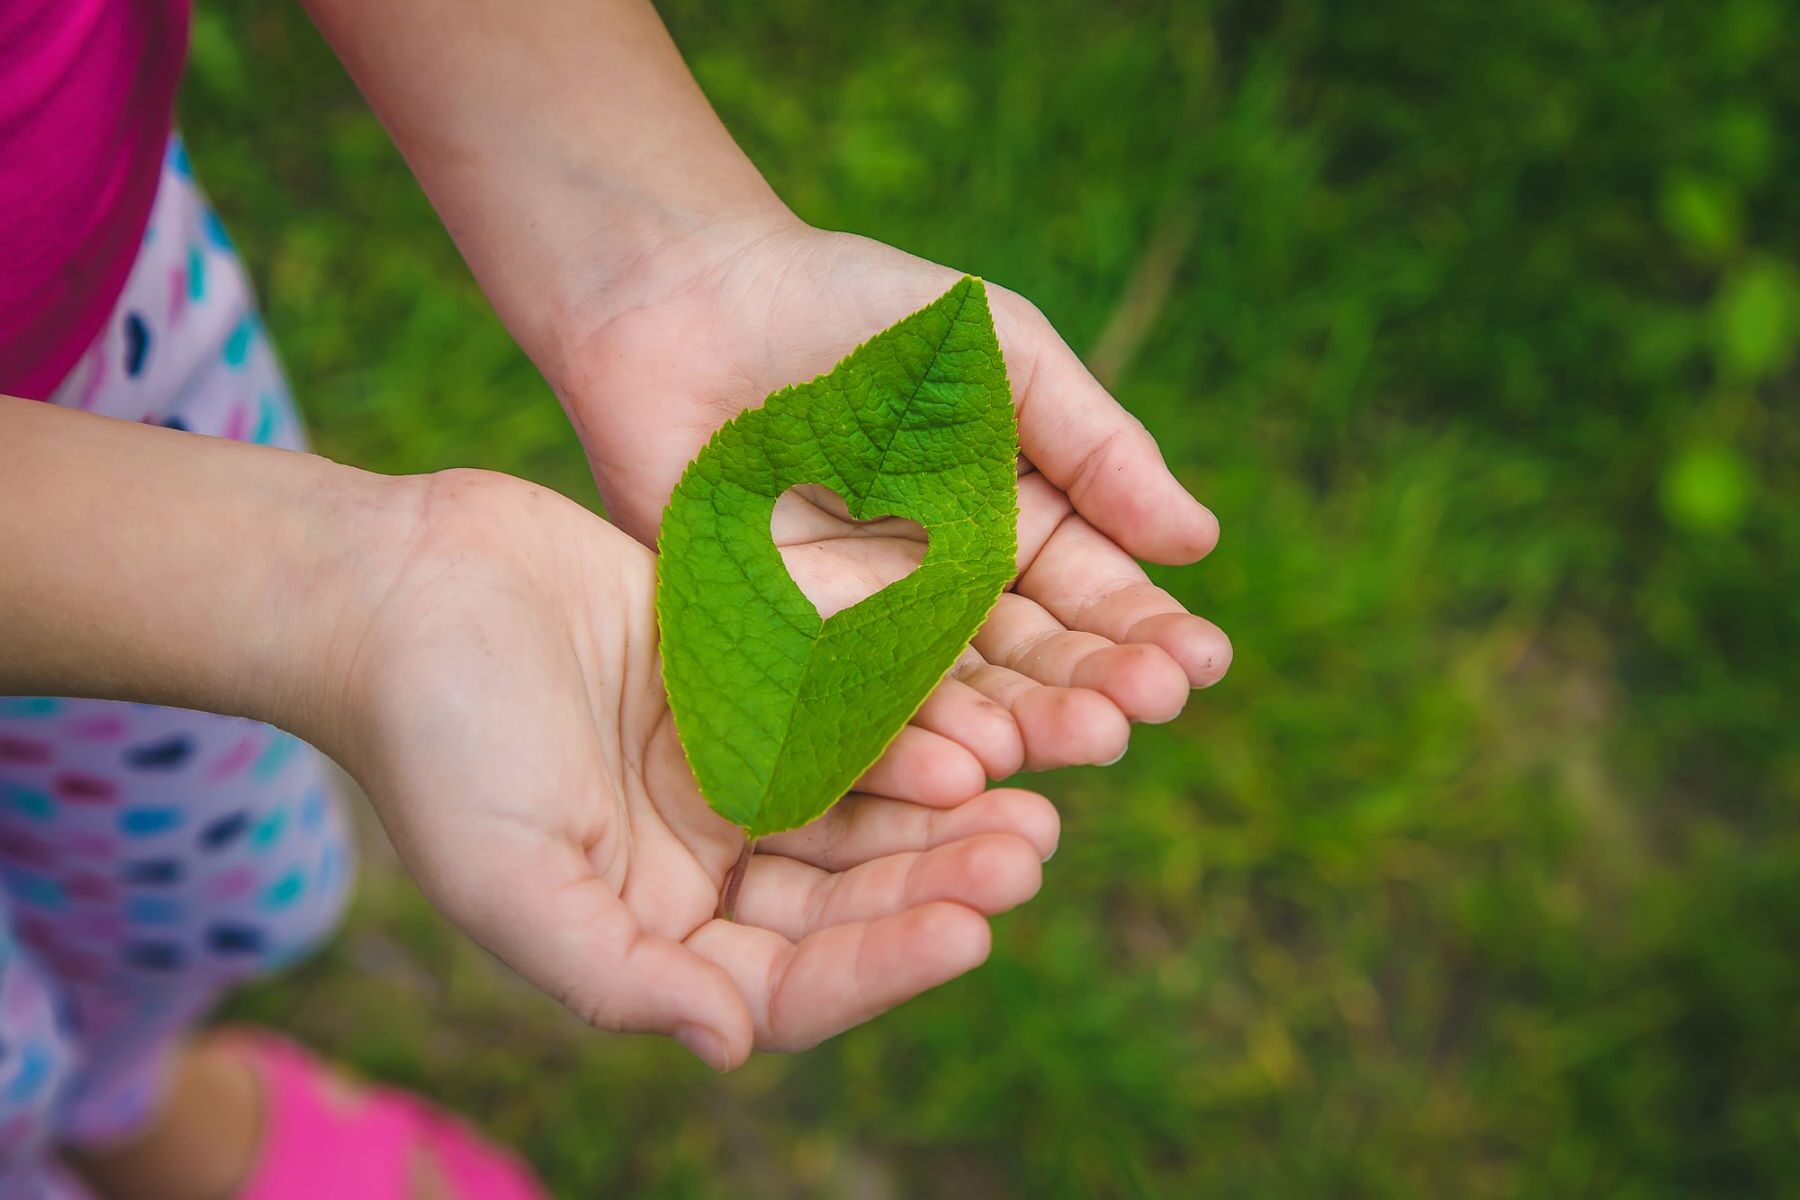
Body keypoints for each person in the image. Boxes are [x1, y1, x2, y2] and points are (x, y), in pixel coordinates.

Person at [0, 0, 1232, 1195]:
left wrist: (653, 244)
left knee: (184, 873)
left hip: (99, 321)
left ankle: (128, 1098)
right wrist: (333, 596)